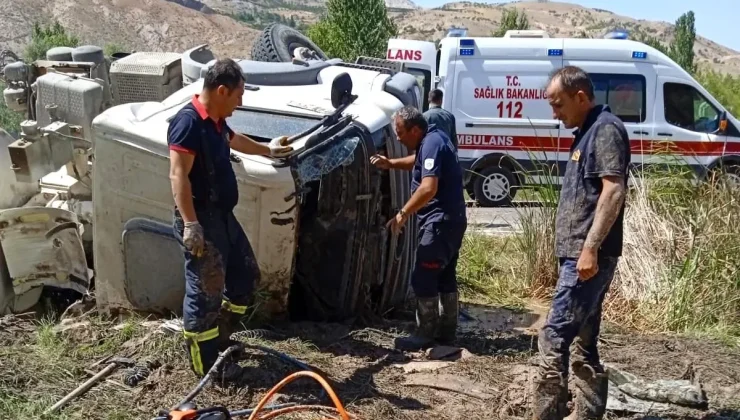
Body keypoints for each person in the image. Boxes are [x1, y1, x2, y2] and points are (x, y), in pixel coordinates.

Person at [167, 58, 293, 382]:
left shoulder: (217, 121)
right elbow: (178, 175)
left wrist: (268, 151)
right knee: (204, 294)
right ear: (222, 91)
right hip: (201, 222)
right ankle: (206, 365)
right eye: (238, 96)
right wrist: (191, 224)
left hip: (223, 218)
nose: (241, 103)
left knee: (246, 278)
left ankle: (221, 334)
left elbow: (234, 141)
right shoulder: (188, 123)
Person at [532, 66, 630, 420]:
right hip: (578, 256)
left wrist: (589, 249)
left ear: (581, 98)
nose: (554, 113)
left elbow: (613, 189)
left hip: (586, 258)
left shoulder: (605, 131)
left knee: (553, 337)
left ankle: (546, 414)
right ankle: (587, 414)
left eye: (558, 105)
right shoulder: (587, 131)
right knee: (583, 343)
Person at [370, 106, 467, 351]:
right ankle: (446, 333)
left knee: (424, 276)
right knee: (444, 276)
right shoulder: (434, 139)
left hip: (439, 222)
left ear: (415, 129)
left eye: (401, 133)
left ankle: (425, 334)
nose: (399, 138)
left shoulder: (432, 142)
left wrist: (402, 213)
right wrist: (391, 163)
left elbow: (428, 188)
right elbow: (420, 161)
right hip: (451, 221)